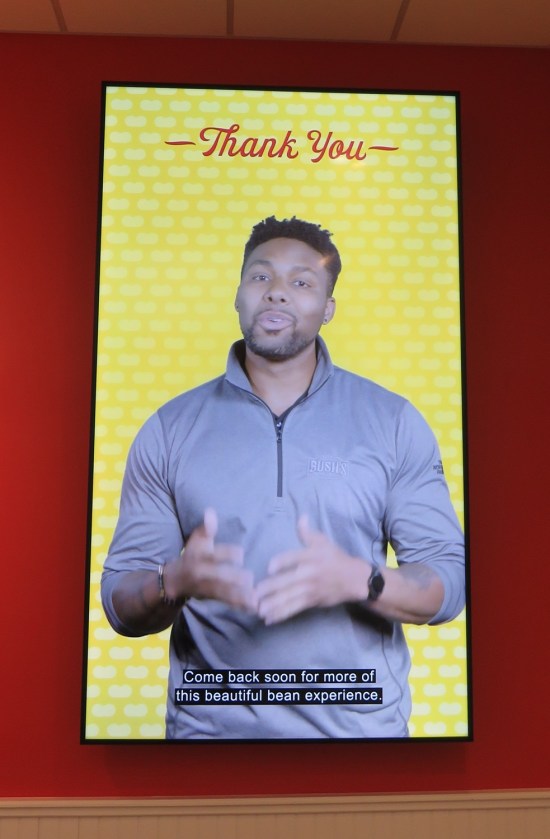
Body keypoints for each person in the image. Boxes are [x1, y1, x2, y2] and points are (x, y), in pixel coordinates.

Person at [101, 216, 465, 740]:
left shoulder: (392, 421)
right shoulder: (168, 429)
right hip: (209, 738)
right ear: (238, 296)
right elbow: (120, 602)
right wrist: (174, 581)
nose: (276, 294)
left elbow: (447, 585)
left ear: (328, 309)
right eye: (260, 277)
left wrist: (361, 580)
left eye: (301, 282)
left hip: (360, 737)